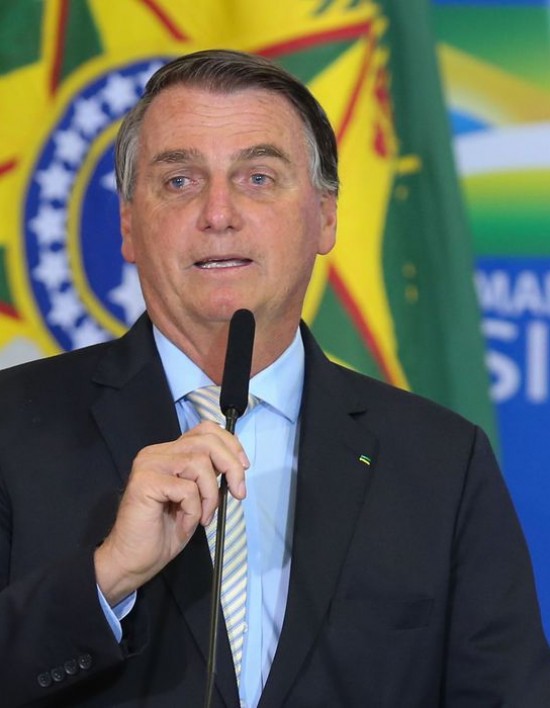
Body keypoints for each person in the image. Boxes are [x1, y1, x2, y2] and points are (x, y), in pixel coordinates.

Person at [0, 49, 549, 708]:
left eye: (258, 177)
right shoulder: (12, 429)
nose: (219, 213)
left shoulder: (442, 463)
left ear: (325, 217)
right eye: (180, 180)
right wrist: (106, 578)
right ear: (128, 224)